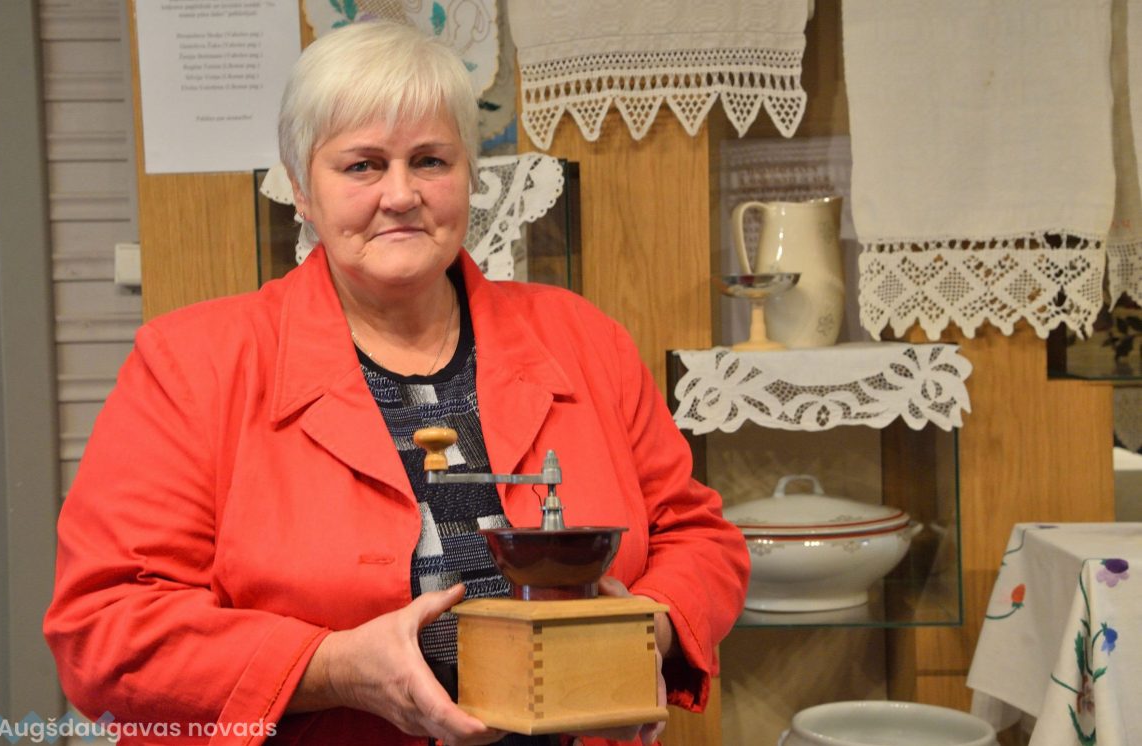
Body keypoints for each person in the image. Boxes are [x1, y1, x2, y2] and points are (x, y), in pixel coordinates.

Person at [44, 19, 748, 746]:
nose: (402, 194)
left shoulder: (583, 338)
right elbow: (105, 628)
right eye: (362, 166)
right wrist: (332, 669)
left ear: (469, 177)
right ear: (301, 189)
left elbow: (699, 539)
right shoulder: (192, 364)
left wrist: (645, 632)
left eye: (431, 160)